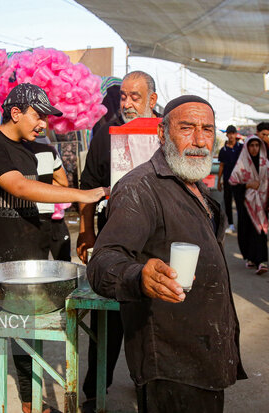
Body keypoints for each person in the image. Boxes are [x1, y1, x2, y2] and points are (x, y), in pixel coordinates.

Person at [87, 95, 246, 413]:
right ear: (161, 134)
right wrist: (138, 275)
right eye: (187, 128)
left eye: (207, 129)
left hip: (204, 352)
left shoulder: (194, 185)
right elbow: (103, 261)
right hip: (171, 359)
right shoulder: (140, 188)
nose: (200, 140)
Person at [0, 83, 106, 413]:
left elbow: (55, 182)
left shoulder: (33, 150)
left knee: (29, 340)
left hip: (30, 262)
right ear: (15, 112)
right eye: (37, 116)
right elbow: (18, 186)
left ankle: (30, 404)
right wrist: (81, 195)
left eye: (46, 117)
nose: (43, 124)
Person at [76, 70, 159, 411]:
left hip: (158, 246)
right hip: (114, 242)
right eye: (123, 96)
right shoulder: (105, 134)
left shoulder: (167, 132)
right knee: (106, 323)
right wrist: (86, 229)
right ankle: (95, 392)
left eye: (135, 97)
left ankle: (151, 395)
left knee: (151, 326)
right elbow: (87, 186)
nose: (126, 103)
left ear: (152, 100)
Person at [229, 136, 269, 275]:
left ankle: (262, 261)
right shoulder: (242, 164)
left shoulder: (265, 164)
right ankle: (250, 257)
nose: (254, 148)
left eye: (257, 145)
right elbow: (233, 183)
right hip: (246, 204)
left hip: (262, 203)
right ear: (247, 147)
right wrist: (248, 185)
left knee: (260, 231)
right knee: (247, 230)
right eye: (252, 145)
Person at [24, 137, 72, 261]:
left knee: (35, 261)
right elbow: (63, 182)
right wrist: (46, 183)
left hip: (32, 214)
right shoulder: (48, 152)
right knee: (61, 262)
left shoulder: (11, 152)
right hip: (46, 213)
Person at [217, 125, 243, 234]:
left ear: (236, 134)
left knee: (240, 202)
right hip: (227, 179)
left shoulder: (241, 148)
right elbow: (221, 166)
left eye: (233, 133)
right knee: (227, 202)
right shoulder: (223, 150)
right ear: (227, 135)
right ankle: (230, 224)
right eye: (229, 133)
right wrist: (219, 181)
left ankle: (241, 224)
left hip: (240, 180)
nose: (231, 136)